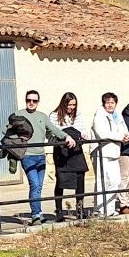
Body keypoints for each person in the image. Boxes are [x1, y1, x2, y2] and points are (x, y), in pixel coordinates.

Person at [15, 90, 58, 224]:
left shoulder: (43, 116)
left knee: (39, 186)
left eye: (34, 100)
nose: (31, 103)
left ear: (38, 102)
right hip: (27, 156)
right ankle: (35, 215)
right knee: (34, 184)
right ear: (25, 100)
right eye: (29, 100)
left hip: (41, 155)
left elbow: (52, 130)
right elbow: (7, 131)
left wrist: (66, 137)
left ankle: (39, 212)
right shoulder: (19, 115)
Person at [50, 92, 88, 220]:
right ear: (64, 103)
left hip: (76, 151)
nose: (72, 107)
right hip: (62, 152)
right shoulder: (54, 115)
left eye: (74, 105)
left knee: (80, 179)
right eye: (70, 104)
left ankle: (80, 209)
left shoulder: (78, 115)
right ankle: (59, 210)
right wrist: (66, 136)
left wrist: (83, 135)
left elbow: (82, 129)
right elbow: (52, 133)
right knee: (61, 181)